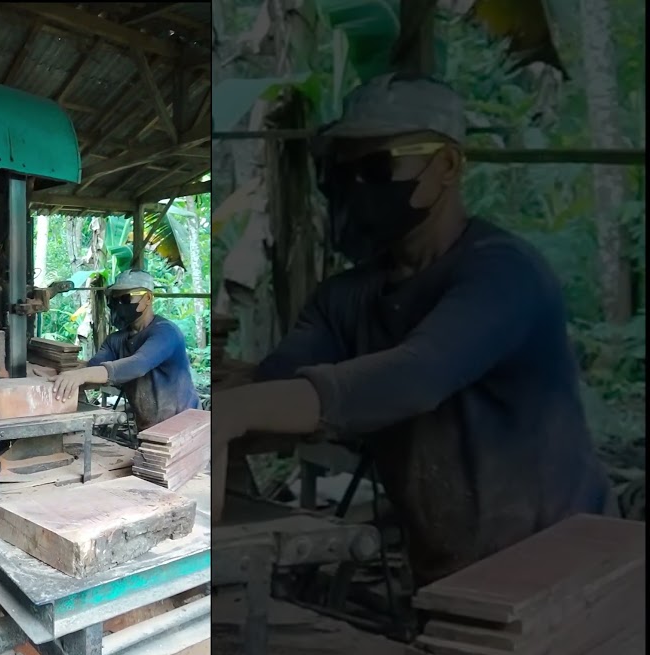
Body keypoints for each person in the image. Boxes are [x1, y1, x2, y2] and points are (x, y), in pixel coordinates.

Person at [212, 73, 612, 588]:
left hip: (570, 565)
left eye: (377, 166)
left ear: (446, 165)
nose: (355, 186)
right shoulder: (345, 298)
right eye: (341, 170)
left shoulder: (504, 274)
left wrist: (241, 409)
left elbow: (417, 375)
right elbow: (278, 388)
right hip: (450, 576)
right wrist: (218, 414)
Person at [49, 270, 200, 431]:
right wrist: (56, 376)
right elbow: (93, 369)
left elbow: (138, 364)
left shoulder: (166, 333)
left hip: (186, 426)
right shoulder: (115, 340)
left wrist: (80, 375)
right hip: (149, 430)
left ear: (147, 298)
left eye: (125, 298)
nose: (118, 304)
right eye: (114, 299)